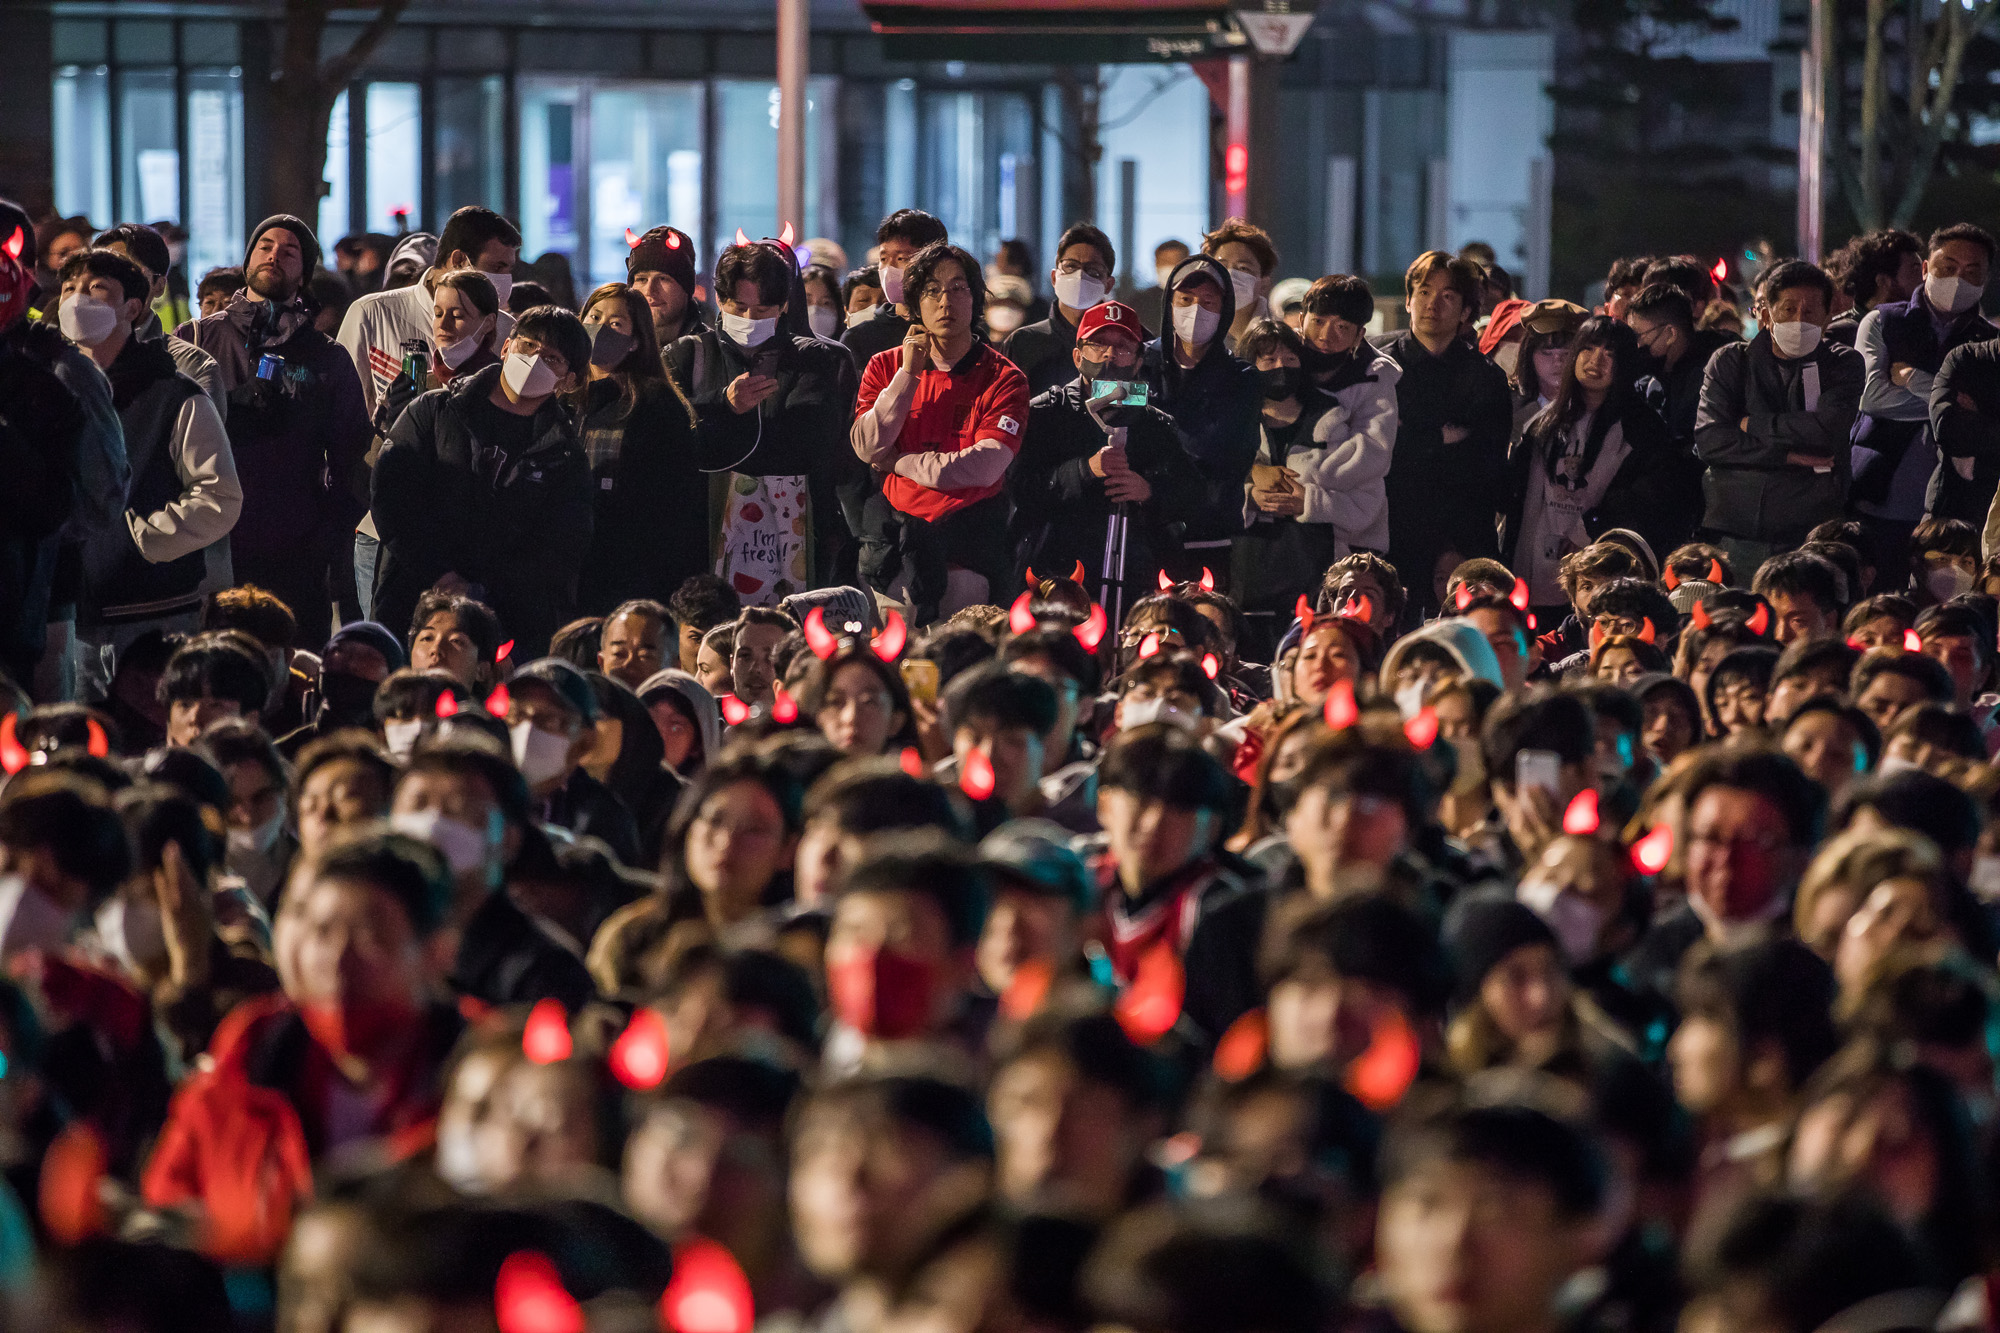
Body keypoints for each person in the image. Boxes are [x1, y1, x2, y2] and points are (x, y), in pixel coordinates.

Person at [141, 832, 465, 1266]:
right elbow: (169, 1198)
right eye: (321, 932)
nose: (336, 959)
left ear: (438, 951)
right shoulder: (247, 1058)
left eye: (371, 937)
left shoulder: (482, 1081)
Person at [176, 214, 370, 642]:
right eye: (265, 246)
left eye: (289, 251)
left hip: (295, 545)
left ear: (305, 272)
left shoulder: (326, 357)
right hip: (210, 542)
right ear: (248, 259)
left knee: (294, 664)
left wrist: (329, 536)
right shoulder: (195, 338)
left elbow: (350, 453)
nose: (274, 256)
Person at [48, 248, 236, 679]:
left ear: (132, 307)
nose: (78, 301)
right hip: (68, 611)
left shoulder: (172, 394)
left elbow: (219, 495)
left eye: (97, 290)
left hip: (153, 611)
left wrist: (141, 540)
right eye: (70, 289)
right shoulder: (48, 388)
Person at [371, 305, 595, 660]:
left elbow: (560, 544)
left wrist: (484, 587)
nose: (534, 360)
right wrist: (441, 574)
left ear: (569, 380)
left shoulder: (565, 455)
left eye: (551, 358)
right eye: (528, 347)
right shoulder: (435, 411)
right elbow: (393, 497)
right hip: (412, 601)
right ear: (506, 347)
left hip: (505, 623)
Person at [666, 239, 859, 600]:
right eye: (740, 308)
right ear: (720, 301)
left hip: (794, 533)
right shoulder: (688, 355)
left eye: (763, 309)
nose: (751, 320)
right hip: (702, 532)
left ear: (784, 307)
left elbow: (809, 440)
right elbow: (671, 438)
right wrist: (723, 405)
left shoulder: (814, 359)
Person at [852, 241, 1031, 624]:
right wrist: (908, 375)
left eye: (958, 288)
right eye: (932, 290)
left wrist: (899, 462)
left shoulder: (1004, 378)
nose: (945, 301)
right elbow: (867, 446)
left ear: (976, 298)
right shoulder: (885, 366)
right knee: (895, 671)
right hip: (893, 551)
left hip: (969, 550)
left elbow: (984, 466)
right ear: (914, 303)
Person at [1011, 300, 1205, 592]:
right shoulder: (1043, 413)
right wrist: (1084, 470)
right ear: (1077, 356)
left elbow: (1192, 492)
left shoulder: (1155, 422)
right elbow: (1018, 489)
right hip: (1055, 575)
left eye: (1123, 346)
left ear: (1139, 361)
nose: (1110, 355)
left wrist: (1149, 490)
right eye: (1098, 344)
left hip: (1134, 575)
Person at [1693, 260, 1863, 576]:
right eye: (1788, 309)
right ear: (1767, 315)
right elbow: (1711, 440)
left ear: (1828, 318)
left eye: (1810, 312)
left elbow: (1827, 432)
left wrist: (1751, 425)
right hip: (1737, 532)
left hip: (1814, 534)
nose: (1799, 320)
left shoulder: (1843, 363)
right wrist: (1789, 456)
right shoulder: (1732, 361)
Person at [1231, 314, 1399, 634]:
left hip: (1318, 578)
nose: (1281, 366)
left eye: (1290, 357)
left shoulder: (1334, 419)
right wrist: (1250, 495)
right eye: (1268, 359)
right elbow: (1210, 487)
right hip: (1248, 580)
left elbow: (1368, 502)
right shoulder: (1235, 421)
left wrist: (1310, 502)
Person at [1501, 316, 1679, 610]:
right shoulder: (1542, 425)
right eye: (1588, 348)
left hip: (1600, 579)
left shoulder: (1643, 429)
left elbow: (1646, 497)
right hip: (1532, 576)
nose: (1596, 360)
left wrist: (1592, 526)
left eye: (1610, 353)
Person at [1378, 251, 1513, 617]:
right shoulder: (1380, 367)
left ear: (1467, 311)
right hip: (1391, 529)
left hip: (1462, 533)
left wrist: (1411, 439)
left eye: (1448, 296)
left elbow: (1486, 467)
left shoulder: (1485, 377)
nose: (1431, 304)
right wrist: (1438, 439)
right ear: (1407, 300)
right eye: (1423, 292)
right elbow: (1378, 452)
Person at [1850, 224, 1997, 558]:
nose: (1958, 279)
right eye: (1948, 267)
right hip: (1881, 496)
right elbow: (1873, 397)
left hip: (1958, 511)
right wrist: (1953, 406)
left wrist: (1914, 379)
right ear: (1926, 268)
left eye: (1972, 272)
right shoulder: (1882, 322)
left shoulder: (1989, 343)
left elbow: (1989, 418)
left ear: (1985, 281)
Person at [575, 283, 708, 609]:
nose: (600, 328)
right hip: (574, 573)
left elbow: (674, 503)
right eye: (594, 316)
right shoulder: (564, 397)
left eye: (616, 323)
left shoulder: (652, 402)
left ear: (636, 341)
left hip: (631, 575)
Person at [1143, 254, 1261, 582]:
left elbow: (1224, 456)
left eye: (1209, 302)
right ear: (1169, 303)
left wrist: (1156, 473)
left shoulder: (1242, 378)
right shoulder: (1140, 366)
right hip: (1145, 535)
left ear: (1224, 311)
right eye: (1186, 299)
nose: (1196, 310)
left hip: (1209, 536)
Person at [1002, 223, 1119, 397]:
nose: (1080, 276)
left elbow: (1142, 402)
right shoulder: (1024, 342)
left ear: (1108, 284)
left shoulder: (1125, 343)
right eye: (1070, 266)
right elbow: (1006, 408)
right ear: (1054, 277)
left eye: (1093, 270)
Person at [843, 209, 950, 368]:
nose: (889, 268)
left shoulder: (956, 330)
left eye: (901, 259)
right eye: (883, 258)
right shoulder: (860, 338)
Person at [1826, 227, 1924, 347]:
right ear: (1882, 281)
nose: (1924, 278)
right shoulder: (1841, 335)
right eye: (1914, 269)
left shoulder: (1915, 328)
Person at [626, 225, 706, 356]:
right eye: (641, 279)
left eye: (663, 279)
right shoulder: (615, 349)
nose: (650, 291)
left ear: (686, 287)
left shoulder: (711, 355)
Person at [1203, 219, 1280, 352]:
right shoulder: (1196, 337)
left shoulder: (1278, 340)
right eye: (1221, 266)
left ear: (1264, 282)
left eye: (1243, 268)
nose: (1230, 274)